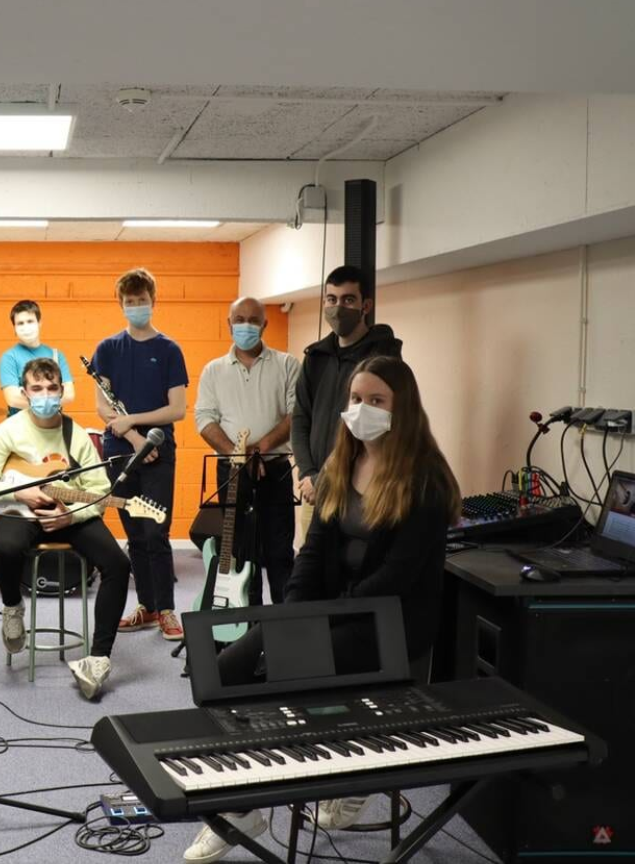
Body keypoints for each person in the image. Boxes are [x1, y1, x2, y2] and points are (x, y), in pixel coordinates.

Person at [183, 356, 461, 862]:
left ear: (402, 409)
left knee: (280, 672)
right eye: (356, 398)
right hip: (334, 612)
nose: (361, 408)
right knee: (221, 669)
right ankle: (242, 804)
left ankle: (342, 773)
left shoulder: (426, 481)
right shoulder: (340, 464)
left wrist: (312, 622)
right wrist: (290, 613)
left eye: (376, 400)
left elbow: (393, 580)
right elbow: (311, 553)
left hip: (389, 624)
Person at [0, 357, 131, 699]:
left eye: (52, 388)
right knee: (7, 548)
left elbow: (100, 491)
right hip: (21, 510)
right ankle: (13, 607)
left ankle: (98, 659)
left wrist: (71, 516)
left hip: (68, 512)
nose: (45, 395)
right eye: (37, 388)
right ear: (25, 393)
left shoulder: (76, 435)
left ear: (61, 391)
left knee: (118, 563)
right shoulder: (8, 431)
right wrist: (18, 492)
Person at [91, 268, 188, 641]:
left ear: (153, 301)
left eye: (142, 301)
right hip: (120, 450)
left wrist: (135, 423)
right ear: (121, 304)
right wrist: (133, 438)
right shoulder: (107, 349)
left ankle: (166, 609)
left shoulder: (169, 350)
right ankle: (147, 606)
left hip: (159, 451)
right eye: (129, 302)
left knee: (156, 532)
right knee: (134, 534)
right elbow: (103, 407)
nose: (136, 306)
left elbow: (177, 409)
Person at [194, 297, 300, 604]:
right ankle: (249, 625)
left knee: (279, 553)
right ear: (229, 324)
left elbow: (296, 414)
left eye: (253, 320)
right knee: (240, 554)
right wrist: (238, 455)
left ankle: (283, 622)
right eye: (239, 320)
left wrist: (259, 450)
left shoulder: (287, 364)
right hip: (232, 471)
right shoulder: (213, 370)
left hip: (275, 469)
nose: (246, 326)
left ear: (265, 324)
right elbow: (204, 419)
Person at [291, 266, 401, 539]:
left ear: (366, 306)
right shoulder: (315, 358)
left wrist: (324, 479)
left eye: (348, 300)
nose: (338, 308)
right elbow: (300, 418)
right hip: (315, 490)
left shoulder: (383, 359)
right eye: (332, 299)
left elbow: (372, 428)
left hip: (362, 487)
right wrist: (308, 474)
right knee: (312, 558)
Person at [0, 300, 76, 414]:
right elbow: (13, 399)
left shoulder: (56, 355)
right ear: (14, 328)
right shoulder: (9, 357)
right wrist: (52, 398)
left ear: (39, 323)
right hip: (21, 423)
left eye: (30, 321)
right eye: (20, 323)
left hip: (53, 422)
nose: (26, 327)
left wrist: (32, 398)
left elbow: (69, 395)